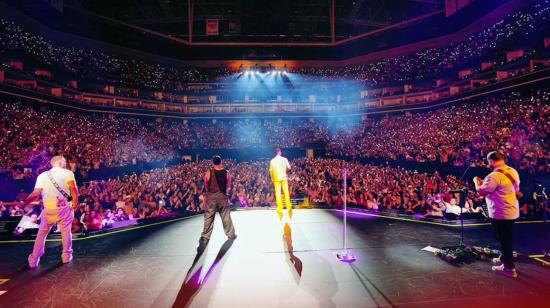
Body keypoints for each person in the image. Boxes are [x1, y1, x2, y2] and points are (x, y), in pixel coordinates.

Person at [23, 156, 79, 267]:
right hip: (64, 209)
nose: (65, 163)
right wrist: (75, 203)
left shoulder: (42, 175)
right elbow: (73, 189)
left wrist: (26, 202)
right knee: (66, 232)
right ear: (60, 162)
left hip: (49, 209)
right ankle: (66, 256)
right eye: (64, 161)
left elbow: (36, 193)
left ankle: (34, 260)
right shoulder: (68, 173)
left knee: (41, 234)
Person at [473, 151, 520, 278]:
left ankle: (509, 268)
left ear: (491, 161)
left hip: (500, 212)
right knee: (506, 237)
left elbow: (481, 192)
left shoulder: (493, 176)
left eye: (488, 161)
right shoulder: (513, 171)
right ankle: (504, 257)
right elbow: (514, 189)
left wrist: (476, 182)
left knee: (504, 239)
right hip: (511, 210)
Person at [199, 155, 237, 245]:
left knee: (209, 217)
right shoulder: (227, 173)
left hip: (211, 197)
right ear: (221, 162)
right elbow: (228, 185)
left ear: (213, 163)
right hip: (222, 197)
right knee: (226, 216)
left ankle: (205, 237)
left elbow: (206, 185)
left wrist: (210, 192)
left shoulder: (209, 173)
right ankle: (231, 235)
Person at [269, 148, 293, 220]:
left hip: (276, 179)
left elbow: (271, 171)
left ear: (275, 153)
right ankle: (289, 207)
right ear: (280, 152)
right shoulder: (284, 159)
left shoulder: (272, 161)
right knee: (286, 193)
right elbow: (289, 167)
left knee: (278, 194)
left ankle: (280, 209)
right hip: (284, 178)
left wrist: (272, 179)